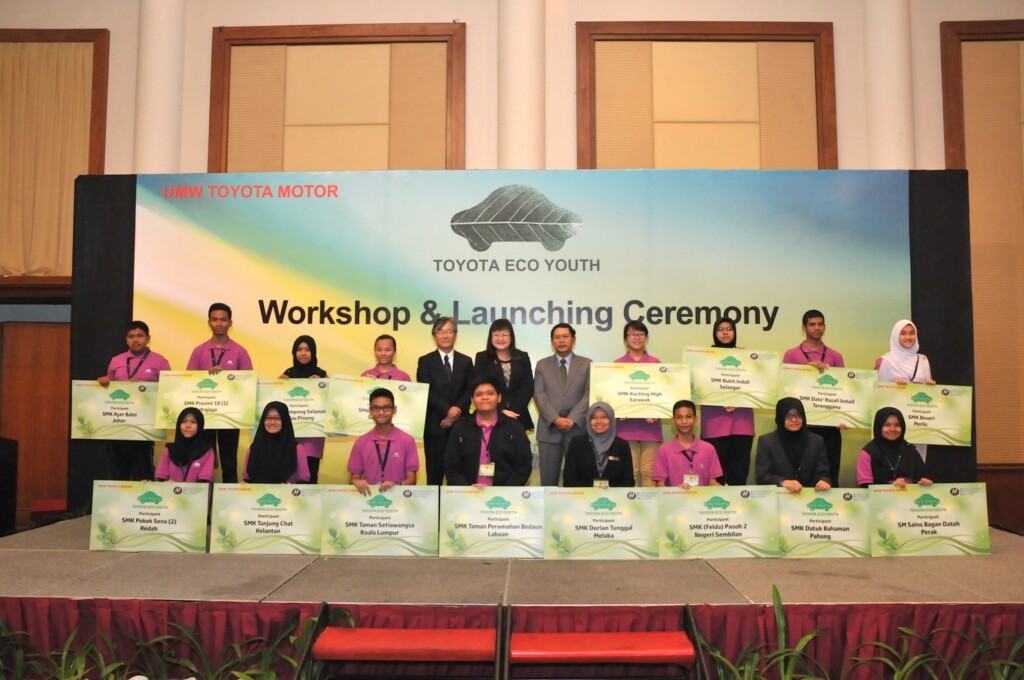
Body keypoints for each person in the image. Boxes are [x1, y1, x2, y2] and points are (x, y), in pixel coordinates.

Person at [186, 303, 253, 483]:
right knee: (201, 462)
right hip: (203, 416)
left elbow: (248, 385)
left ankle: (227, 502)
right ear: (209, 322)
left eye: (223, 320)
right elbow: (188, 383)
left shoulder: (240, 352)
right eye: (215, 319)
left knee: (229, 463)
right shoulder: (199, 351)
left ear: (230, 323)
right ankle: (202, 505)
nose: (219, 323)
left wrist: (228, 379)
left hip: (229, 417)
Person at [98, 320, 172, 480]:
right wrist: (103, 383)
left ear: (148, 338)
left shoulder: (160, 361)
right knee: (118, 473)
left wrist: (143, 390)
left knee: (142, 473)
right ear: (126, 340)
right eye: (131, 336)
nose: (135, 340)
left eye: (140, 336)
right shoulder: (116, 360)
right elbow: (108, 390)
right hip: (118, 425)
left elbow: (169, 391)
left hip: (144, 427)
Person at [782, 310, 845, 487]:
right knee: (803, 475)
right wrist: (805, 371)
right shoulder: (791, 355)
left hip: (830, 427)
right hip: (803, 426)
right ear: (804, 328)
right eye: (812, 324)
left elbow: (843, 392)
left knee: (830, 475)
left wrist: (843, 417)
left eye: (820, 324)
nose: (817, 328)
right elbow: (786, 391)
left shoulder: (835, 356)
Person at [444, 376, 532, 486]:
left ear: (499, 398)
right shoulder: (460, 428)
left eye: (490, 393)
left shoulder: (514, 427)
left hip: (503, 496)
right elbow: (451, 467)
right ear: (472, 400)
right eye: (478, 394)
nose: (484, 397)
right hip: (467, 494)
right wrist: (467, 489)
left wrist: (504, 491)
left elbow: (524, 466)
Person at [416, 317, 473, 485]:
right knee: (434, 475)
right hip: (435, 426)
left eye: (449, 331)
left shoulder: (466, 361)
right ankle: (434, 511)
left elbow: (470, 389)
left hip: (461, 424)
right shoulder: (425, 361)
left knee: (461, 474)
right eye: (440, 332)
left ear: (455, 335)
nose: (445, 335)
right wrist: (447, 411)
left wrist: (455, 412)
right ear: (434, 335)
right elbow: (427, 390)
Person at [534, 323, 591, 486]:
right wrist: (555, 419)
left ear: (573, 340)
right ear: (552, 342)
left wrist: (572, 419)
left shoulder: (587, 364)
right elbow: (539, 394)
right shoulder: (542, 365)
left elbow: (590, 393)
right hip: (549, 429)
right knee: (548, 482)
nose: (561, 340)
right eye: (557, 337)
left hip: (578, 430)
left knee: (579, 482)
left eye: (565, 336)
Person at [700, 317, 755, 486]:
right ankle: (716, 513)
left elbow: (755, 385)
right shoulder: (705, 357)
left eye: (729, 329)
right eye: (720, 329)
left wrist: (737, 398)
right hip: (715, 422)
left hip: (742, 423)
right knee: (716, 476)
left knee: (739, 474)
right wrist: (721, 399)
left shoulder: (745, 357)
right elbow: (700, 385)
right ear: (715, 333)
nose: (725, 332)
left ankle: (738, 510)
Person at [613, 320, 663, 487]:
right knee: (630, 472)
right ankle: (633, 511)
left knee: (649, 472)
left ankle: (649, 511)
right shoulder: (617, 365)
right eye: (632, 334)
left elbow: (662, 394)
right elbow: (613, 394)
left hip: (650, 426)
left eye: (640, 334)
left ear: (646, 338)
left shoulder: (656, 364)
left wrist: (655, 412)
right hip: (625, 427)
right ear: (626, 339)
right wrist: (619, 410)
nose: (637, 337)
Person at [348, 388, 418, 495]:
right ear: (370, 410)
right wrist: (357, 482)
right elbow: (353, 479)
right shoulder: (361, 442)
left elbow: (412, 480)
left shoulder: (407, 440)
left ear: (394, 410)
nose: (381, 412)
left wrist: (397, 485)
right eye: (376, 408)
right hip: (369, 502)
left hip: (400, 501)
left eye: (386, 408)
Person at [279, 335, 328, 483]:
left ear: (313, 352)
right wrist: (278, 384)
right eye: (299, 349)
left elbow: (332, 401)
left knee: (310, 475)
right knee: (289, 475)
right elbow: (276, 404)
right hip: (290, 433)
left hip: (313, 435)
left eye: (307, 349)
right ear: (294, 352)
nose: (303, 353)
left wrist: (323, 384)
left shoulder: (321, 374)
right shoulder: (288, 374)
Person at [755, 397, 831, 492]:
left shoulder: (816, 441)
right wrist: (782, 482)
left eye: (798, 415)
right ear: (780, 417)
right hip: (778, 498)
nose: (794, 419)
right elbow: (762, 477)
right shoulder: (766, 441)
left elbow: (823, 474)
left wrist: (824, 481)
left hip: (808, 498)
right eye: (788, 416)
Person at [472, 319, 534, 431]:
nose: (500, 338)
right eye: (496, 335)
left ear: (511, 337)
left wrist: (514, 411)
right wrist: (501, 410)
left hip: (518, 415)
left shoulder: (522, 357)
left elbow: (528, 387)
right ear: (491, 337)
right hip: (490, 416)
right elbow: (480, 388)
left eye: (504, 334)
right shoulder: (482, 358)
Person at [652, 400, 723, 488]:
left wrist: (727, 492)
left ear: (695, 419)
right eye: (679, 417)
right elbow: (659, 485)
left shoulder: (709, 449)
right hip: (674, 501)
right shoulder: (663, 451)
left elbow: (713, 482)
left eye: (688, 417)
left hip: (701, 500)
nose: (684, 421)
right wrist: (677, 493)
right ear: (673, 421)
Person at [563, 402, 635, 488]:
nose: (599, 421)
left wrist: (612, 491)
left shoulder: (622, 445)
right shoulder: (577, 443)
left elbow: (628, 481)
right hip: (583, 499)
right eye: (594, 417)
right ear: (588, 420)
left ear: (611, 419)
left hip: (614, 499)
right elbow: (569, 480)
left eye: (604, 417)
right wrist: (590, 491)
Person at [856, 407, 932, 487]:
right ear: (879, 427)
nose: (892, 429)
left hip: (910, 498)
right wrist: (891, 487)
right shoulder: (867, 453)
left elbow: (924, 476)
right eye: (887, 425)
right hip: (880, 499)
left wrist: (925, 482)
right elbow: (865, 485)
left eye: (897, 425)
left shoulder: (911, 450)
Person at [243, 401, 309, 484]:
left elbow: (304, 483)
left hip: (287, 496)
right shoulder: (253, 449)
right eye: (268, 418)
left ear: (285, 420)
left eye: (278, 418)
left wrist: (291, 489)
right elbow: (247, 479)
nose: (272, 422)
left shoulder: (297, 449)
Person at [154, 407, 215, 483]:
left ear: (200, 425)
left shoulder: (206, 451)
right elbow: (160, 480)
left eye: (193, 422)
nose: (188, 425)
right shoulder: (169, 450)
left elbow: (204, 482)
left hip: (197, 494)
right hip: (170, 494)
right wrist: (166, 485)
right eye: (183, 421)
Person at [877, 320, 935, 385]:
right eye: (903, 333)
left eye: (912, 333)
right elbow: (879, 390)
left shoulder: (923, 359)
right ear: (895, 336)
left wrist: (930, 384)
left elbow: (927, 389)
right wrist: (894, 385)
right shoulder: (885, 361)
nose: (908, 337)